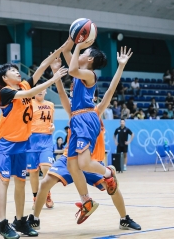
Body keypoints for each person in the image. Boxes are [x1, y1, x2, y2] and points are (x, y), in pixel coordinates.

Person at [27, 48, 140, 231]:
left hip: (91, 160)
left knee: (111, 187)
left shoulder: (94, 110)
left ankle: (124, 218)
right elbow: (64, 94)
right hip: (70, 157)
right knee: (46, 181)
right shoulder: (75, 109)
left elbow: (110, 90)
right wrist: (56, 72)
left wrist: (120, 67)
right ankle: (35, 219)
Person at [0, 48, 67, 239]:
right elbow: (32, 92)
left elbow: (41, 67)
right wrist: (54, 77)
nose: (17, 72)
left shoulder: (23, 85)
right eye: (13, 70)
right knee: (4, 181)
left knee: (21, 182)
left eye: (17, 70)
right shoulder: (6, 91)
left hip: (22, 143)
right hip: (6, 143)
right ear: (5, 78)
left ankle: (20, 221)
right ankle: (2, 223)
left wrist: (62, 48)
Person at [63, 38, 131, 223]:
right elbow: (67, 55)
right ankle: (86, 201)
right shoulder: (79, 73)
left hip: (85, 118)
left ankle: (108, 173)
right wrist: (72, 39)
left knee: (84, 164)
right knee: (71, 165)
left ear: (90, 60)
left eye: (86, 52)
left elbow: (72, 69)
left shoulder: (89, 75)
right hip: (76, 119)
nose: (82, 53)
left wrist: (78, 44)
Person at [27, 87, 55, 210]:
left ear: (46, 91)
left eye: (43, 88)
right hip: (31, 141)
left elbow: (51, 122)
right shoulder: (28, 103)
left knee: (46, 168)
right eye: (37, 88)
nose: (40, 90)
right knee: (33, 172)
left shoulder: (51, 105)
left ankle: (47, 194)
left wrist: (53, 127)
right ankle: (35, 198)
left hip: (46, 140)